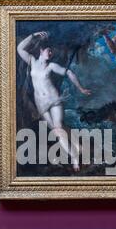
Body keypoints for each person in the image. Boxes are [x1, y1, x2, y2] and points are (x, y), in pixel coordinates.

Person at [17, 31, 91, 171]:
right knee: (58, 131)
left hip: (54, 100)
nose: (50, 54)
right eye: (48, 51)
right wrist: (33, 36)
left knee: (58, 128)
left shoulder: (51, 66)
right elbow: (20, 48)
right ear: (41, 50)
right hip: (41, 105)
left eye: (51, 52)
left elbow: (68, 72)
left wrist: (80, 88)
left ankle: (74, 157)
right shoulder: (32, 61)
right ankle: (77, 147)